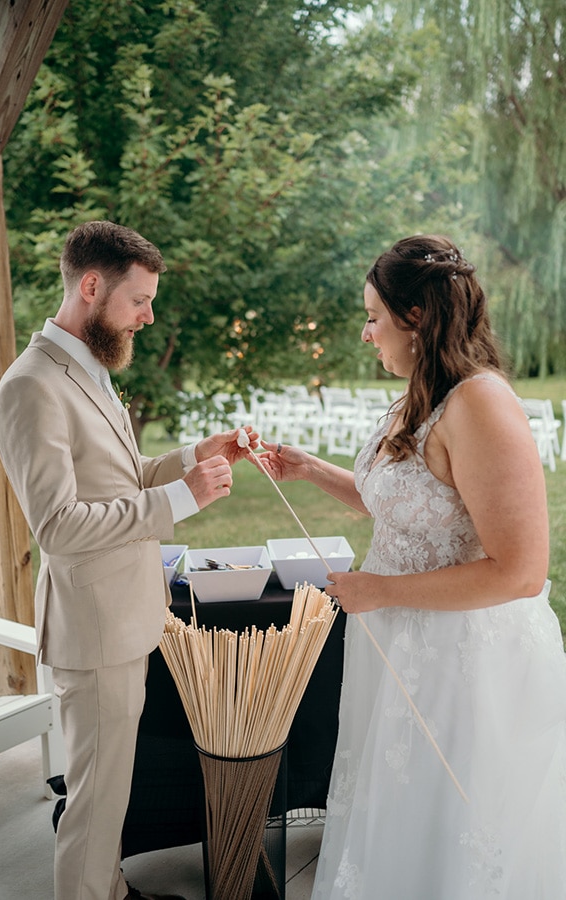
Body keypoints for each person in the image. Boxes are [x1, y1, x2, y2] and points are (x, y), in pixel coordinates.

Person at [257, 234, 566, 899]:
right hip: (400, 646)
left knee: (454, 826)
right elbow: (406, 505)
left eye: (373, 317)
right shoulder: (424, 394)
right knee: (400, 818)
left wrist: (380, 590)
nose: (366, 333)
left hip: (465, 660)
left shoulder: (480, 402)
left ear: (416, 318)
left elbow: (520, 571)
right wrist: (310, 470)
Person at [0, 220, 258, 900]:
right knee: (94, 802)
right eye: (139, 300)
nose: (148, 316)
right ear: (90, 286)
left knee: (111, 793)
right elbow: (59, 527)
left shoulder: (89, 367)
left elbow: (121, 478)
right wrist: (182, 498)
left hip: (124, 618)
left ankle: (108, 888)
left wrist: (195, 456)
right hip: (94, 628)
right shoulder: (31, 387)